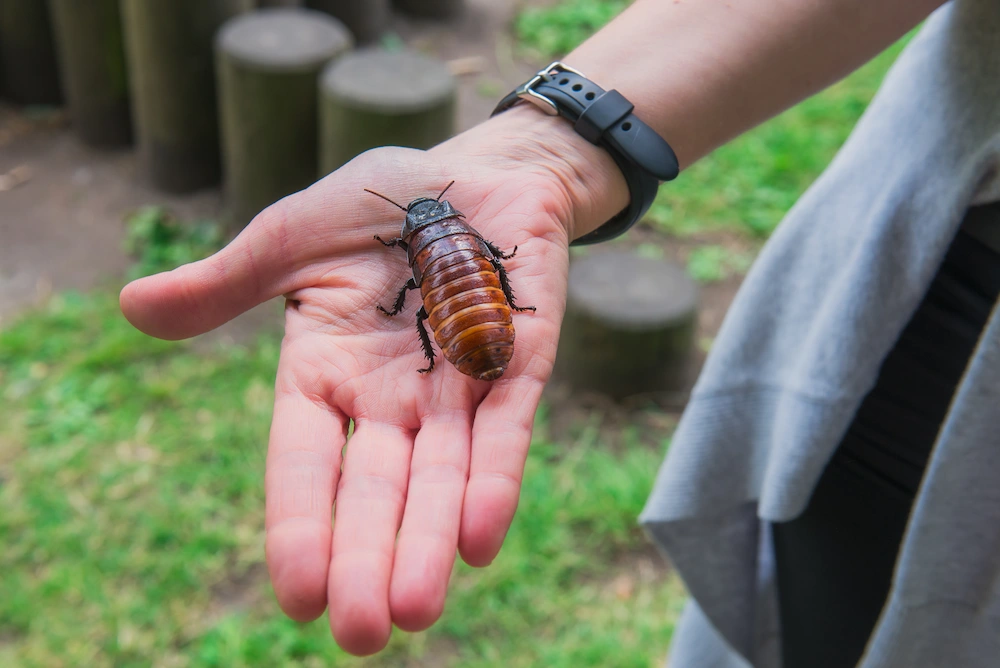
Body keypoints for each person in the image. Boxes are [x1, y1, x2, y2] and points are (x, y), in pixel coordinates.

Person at [121, 0, 1000, 665]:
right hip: (943, 276)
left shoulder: (430, 258)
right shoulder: (454, 247)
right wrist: (550, 149)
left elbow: (439, 283)